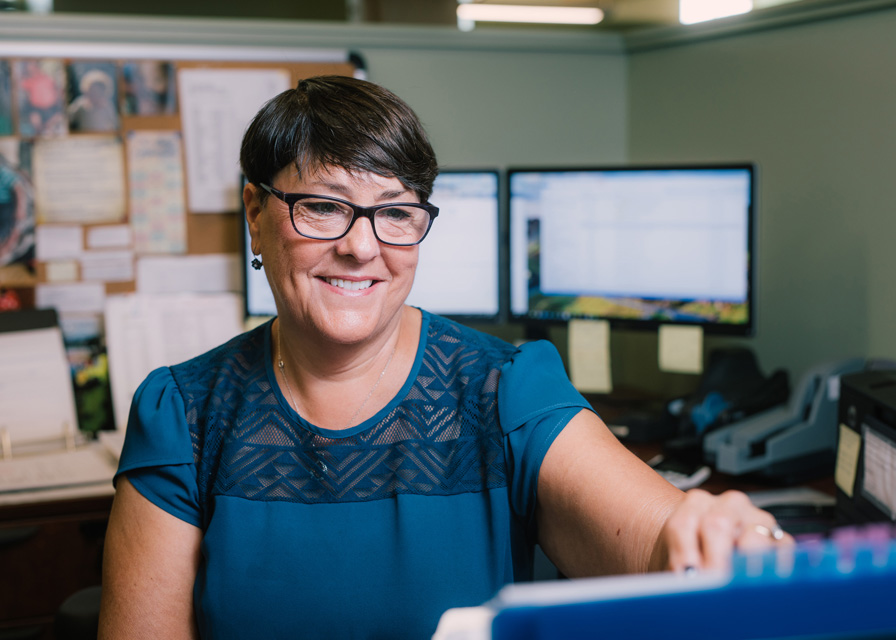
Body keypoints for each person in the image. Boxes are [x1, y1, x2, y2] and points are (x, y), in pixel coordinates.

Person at [98, 75, 790, 640]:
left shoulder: (505, 389)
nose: (362, 247)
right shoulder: (184, 414)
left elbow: (657, 541)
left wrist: (712, 533)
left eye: (396, 213)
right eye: (323, 207)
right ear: (255, 209)